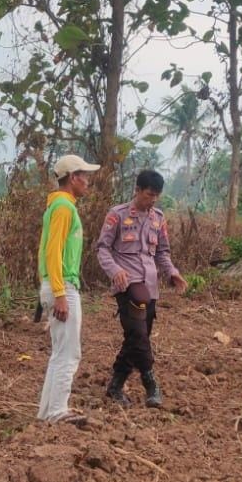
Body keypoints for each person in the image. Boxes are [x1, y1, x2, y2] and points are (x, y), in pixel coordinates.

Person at [95, 169, 186, 408]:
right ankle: (150, 383)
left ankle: (115, 385)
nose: (153, 200)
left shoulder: (158, 218)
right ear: (137, 190)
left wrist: (172, 272)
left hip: (150, 286)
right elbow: (102, 248)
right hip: (127, 285)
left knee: (136, 337)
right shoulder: (117, 215)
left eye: (156, 195)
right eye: (149, 195)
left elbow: (162, 252)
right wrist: (115, 270)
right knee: (138, 334)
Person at [35, 153, 101, 427]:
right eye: (84, 176)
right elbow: (53, 252)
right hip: (63, 286)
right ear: (73, 178)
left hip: (56, 285)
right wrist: (60, 294)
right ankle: (57, 411)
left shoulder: (59, 206)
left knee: (60, 352)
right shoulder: (63, 208)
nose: (87, 181)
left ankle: (47, 412)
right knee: (69, 353)